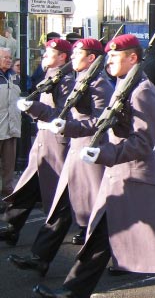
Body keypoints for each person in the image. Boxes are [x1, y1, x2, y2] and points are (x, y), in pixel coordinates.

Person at [33, 34, 155, 298]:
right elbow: (101, 123)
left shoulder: (141, 91)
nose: (108, 61)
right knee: (100, 236)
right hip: (120, 174)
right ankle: (73, 291)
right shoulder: (125, 85)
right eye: (108, 55)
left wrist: (103, 153)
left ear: (132, 58)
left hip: (140, 176)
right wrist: (66, 126)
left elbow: (142, 142)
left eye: (114, 56)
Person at [8, 38, 114, 277]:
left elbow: (100, 122)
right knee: (61, 209)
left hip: (91, 153)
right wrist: (35, 109)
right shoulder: (81, 79)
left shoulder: (99, 84)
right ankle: (40, 258)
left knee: (102, 214)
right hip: (76, 152)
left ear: (91, 58)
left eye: (78, 54)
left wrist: (64, 124)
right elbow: (65, 114)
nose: (72, 57)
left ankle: (122, 258)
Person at [0, 38, 74, 247]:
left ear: (62, 57)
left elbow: (62, 113)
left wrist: (33, 108)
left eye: (50, 53)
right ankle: (12, 227)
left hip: (56, 142)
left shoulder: (66, 80)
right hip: (43, 140)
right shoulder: (51, 74)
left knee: (58, 196)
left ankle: (50, 245)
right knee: (27, 188)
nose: (44, 56)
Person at [0, 48, 21, 197]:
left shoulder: (15, 77)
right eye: (5, 57)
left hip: (11, 128)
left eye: (10, 58)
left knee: (9, 165)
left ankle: (7, 194)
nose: (8, 60)